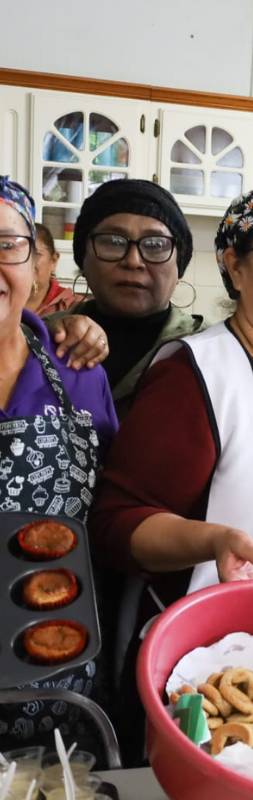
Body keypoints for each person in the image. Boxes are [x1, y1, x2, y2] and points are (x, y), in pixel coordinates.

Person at [90, 186, 253, 603]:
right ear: (235, 267)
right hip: (213, 653)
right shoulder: (193, 375)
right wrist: (210, 539)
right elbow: (116, 524)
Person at [0, 177, 118, 753]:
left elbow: (114, 506)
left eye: (6, 244)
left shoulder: (79, 373)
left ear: (36, 263)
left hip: (60, 675)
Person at [46, 179, 204, 417]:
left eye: (155, 245)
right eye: (112, 242)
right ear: (83, 258)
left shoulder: (210, 349)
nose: (133, 261)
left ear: (178, 265)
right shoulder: (40, 339)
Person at [26, 222, 76, 315]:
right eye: (18, 254)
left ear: (53, 260)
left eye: (36, 254)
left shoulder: (73, 307)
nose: (25, 261)